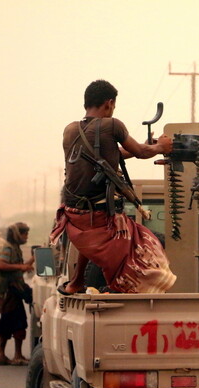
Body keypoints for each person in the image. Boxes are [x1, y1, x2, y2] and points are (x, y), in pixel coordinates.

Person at [50, 79, 176, 295]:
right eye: (113, 107)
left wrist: (150, 145)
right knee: (148, 243)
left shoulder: (70, 131)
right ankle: (126, 288)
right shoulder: (113, 125)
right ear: (109, 103)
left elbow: (107, 157)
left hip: (74, 214)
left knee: (89, 241)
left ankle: (76, 282)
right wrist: (161, 147)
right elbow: (140, 152)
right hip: (100, 214)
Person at [0, 222, 34, 366]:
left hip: (14, 293)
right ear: (17, 235)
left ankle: (13, 355)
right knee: (9, 322)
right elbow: (1, 265)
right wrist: (22, 266)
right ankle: (6, 355)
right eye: (25, 234)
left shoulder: (15, 249)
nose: (27, 236)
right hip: (7, 294)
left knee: (17, 323)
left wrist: (31, 260)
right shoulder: (8, 249)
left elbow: (15, 270)